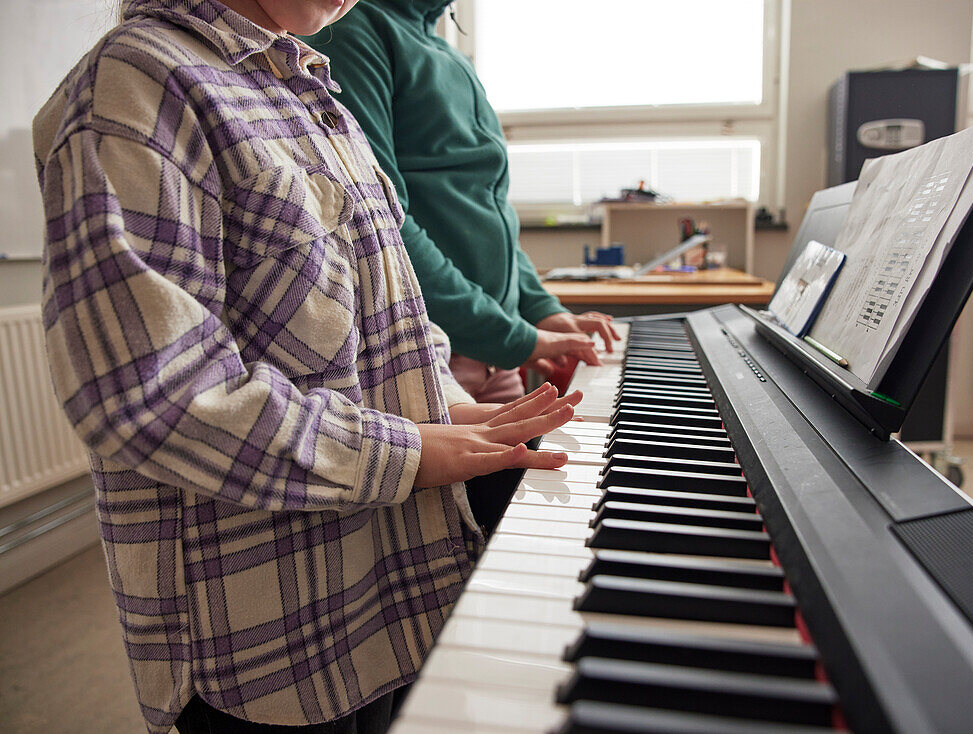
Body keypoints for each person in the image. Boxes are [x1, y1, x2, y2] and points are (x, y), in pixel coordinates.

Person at [33, 1, 579, 732]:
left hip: (381, 594)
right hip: (269, 641)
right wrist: (409, 451)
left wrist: (447, 405)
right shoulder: (137, 84)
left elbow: (387, 307)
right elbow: (151, 392)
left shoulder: (307, 83)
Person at [303, 1, 621, 408]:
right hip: (426, 356)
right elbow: (382, 222)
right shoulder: (352, 31)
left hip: (496, 360)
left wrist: (538, 308)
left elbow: (489, 207)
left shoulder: (450, 55)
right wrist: (514, 337)